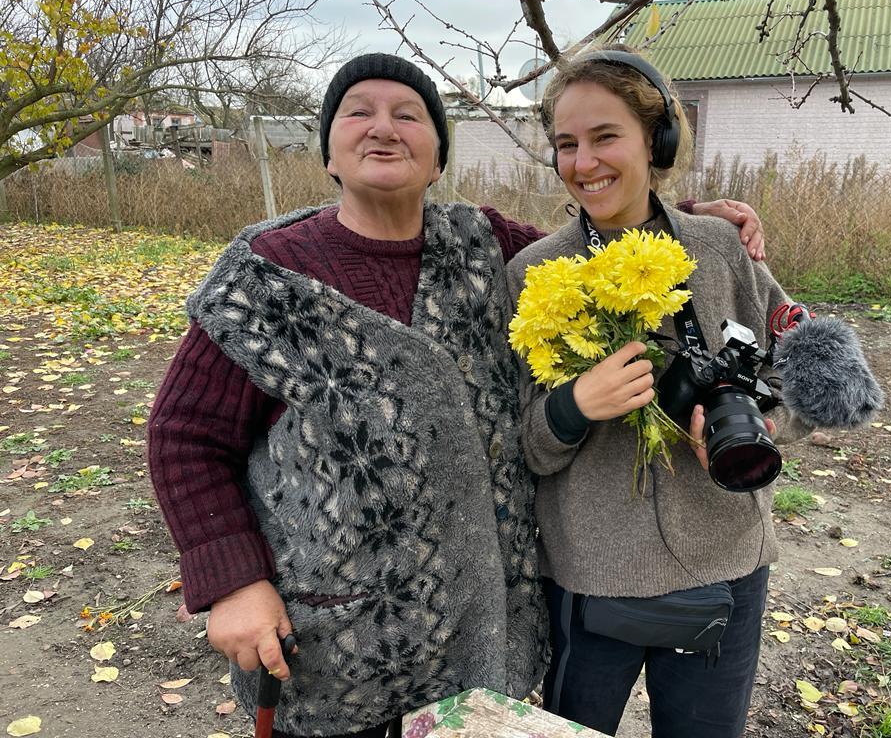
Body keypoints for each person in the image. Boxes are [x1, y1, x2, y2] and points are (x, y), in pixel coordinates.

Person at [148, 53, 767, 738]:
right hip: (332, 639)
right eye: (359, 112)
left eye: (408, 115)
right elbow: (186, 437)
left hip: (474, 631)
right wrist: (235, 583)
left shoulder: (482, 248)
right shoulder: (271, 277)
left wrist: (681, 217)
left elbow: (597, 245)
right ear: (328, 150)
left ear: (438, 157)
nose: (384, 129)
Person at [505, 48, 813, 738]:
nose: (584, 162)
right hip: (589, 577)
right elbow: (516, 442)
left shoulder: (723, 247)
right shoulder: (532, 272)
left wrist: (759, 423)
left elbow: (809, 374)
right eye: (566, 144)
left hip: (723, 565)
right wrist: (572, 408)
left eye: (605, 136)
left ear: (658, 139)